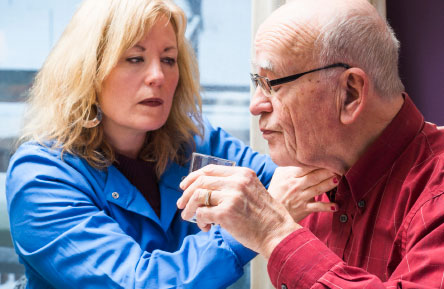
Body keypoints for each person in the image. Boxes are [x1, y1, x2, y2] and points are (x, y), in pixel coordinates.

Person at [5, 0, 282, 288]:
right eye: (135, 59)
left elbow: (283, 178)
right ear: (88, 70)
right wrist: (254, 224)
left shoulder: (193, 141)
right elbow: (141, 282)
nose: (158, 76)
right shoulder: (40, 177)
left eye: (168, 59)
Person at [178, 0, 444, 288]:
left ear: (350, 93)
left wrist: (273, 232)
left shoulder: (435, 192)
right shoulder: (310, 178)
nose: (255, 105)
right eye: (257, 81)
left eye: (273, 83)